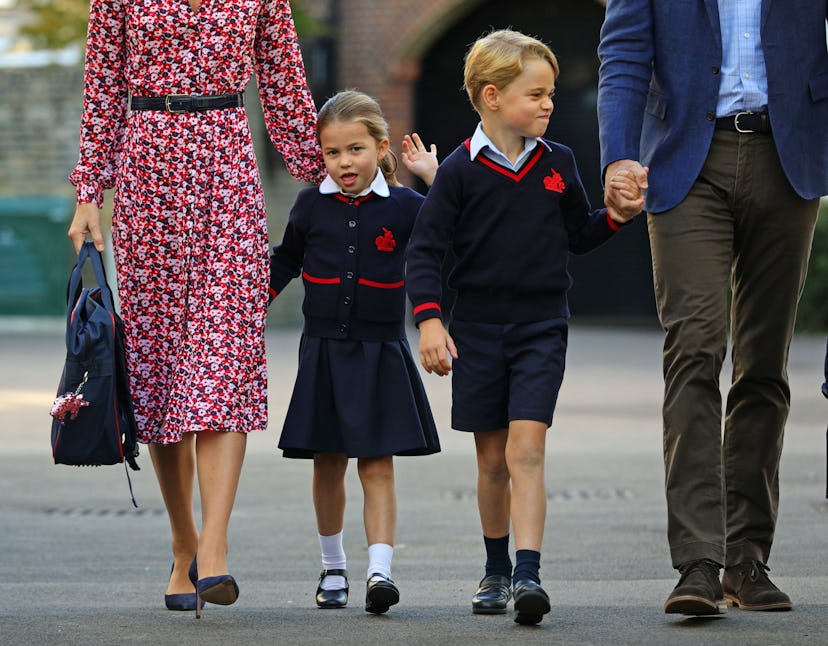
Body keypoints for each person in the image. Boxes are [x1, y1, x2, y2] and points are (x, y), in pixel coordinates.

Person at [67, 0, 325, 617]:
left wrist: (336, 178)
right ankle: (183, 541)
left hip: (227, 165)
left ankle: (214, 547)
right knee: (158, 369)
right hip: (146, 169)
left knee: (225, 356)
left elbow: (286, 82)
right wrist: (88, 193)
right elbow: (102, 85)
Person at [405, 29, 645, 625]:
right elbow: (424, 252)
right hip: (479, 331)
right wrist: (430, 323)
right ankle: (494, 567)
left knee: (526, 451)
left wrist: (615, 217)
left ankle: (529, 574)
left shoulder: (559, 163)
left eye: (552, 94)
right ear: (492, 96)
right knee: (491, 461)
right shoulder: (458, 171)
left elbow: (580, 236)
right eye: (535, 94)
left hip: (542, 327)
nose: (548, 104)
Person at [598, 0, 828, 616]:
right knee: (695, 347)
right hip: (684, 161)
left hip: (791, 157)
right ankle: (698, 560)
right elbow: (622, 55)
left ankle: (748, 558)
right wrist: (618, 152)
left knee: (763, 364)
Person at [269, 90, 441, 615]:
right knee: (327, 463)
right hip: (322, 350)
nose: (345, 162)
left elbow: (461, 228)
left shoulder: (410, 207)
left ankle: (379, 574)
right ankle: (334, 567)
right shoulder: (309, 204)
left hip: (381, 351)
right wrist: (242, 309)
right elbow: (286, 261)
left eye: (356, 150)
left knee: (377, 464)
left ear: (381, 146)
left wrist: (435, 179)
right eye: (332, 152)